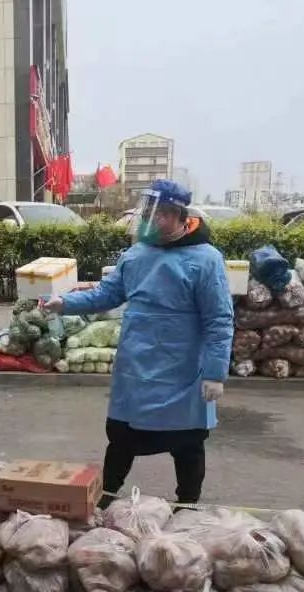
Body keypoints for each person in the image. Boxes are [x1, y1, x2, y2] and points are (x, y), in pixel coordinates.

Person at [43, 179, 234, 506]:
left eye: (157, 214)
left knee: (187, 443)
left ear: (178, 216)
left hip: (183, 369)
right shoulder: (136, 254)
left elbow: (219, 319)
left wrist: (215, 373)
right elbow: (107, 294)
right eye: (146, 213)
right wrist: (65, 303)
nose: (149, 220)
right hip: (136, 366)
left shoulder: (206, 260)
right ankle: (105, 497)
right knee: (122, 437)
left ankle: (187, 504)